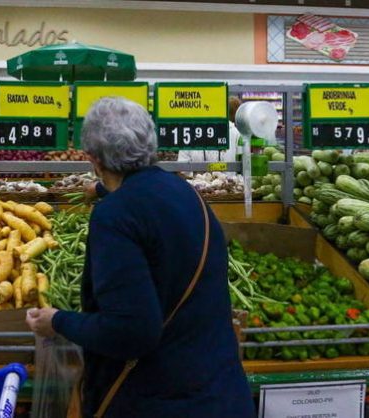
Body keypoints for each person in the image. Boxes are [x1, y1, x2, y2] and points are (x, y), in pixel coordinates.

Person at [26, 97, 254, 418]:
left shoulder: (113, 217)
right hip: (222, 392)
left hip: (160, 401)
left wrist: (58, 321)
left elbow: (130, 333)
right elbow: (150, 207)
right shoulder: (185, 191)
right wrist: (104, 191)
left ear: (94, 160)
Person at [177, 96, 242, 165]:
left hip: (229, 175)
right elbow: (182, 168)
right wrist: (196, 175)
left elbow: (242, 166)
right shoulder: (189, 134)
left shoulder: (234, 134)